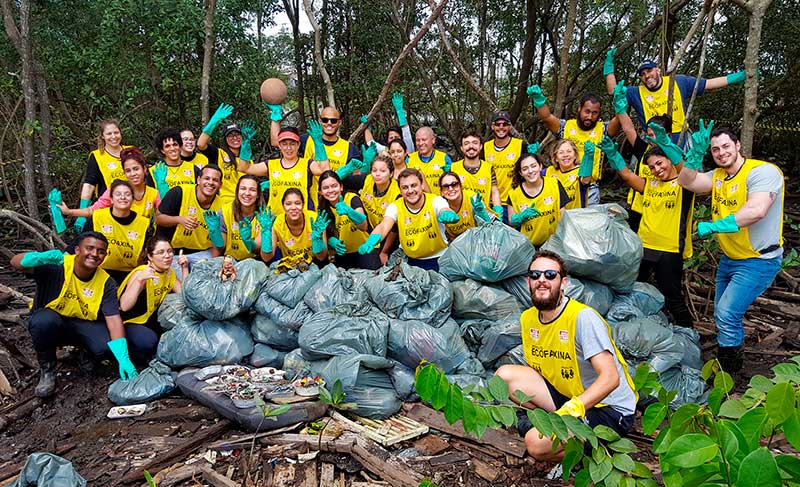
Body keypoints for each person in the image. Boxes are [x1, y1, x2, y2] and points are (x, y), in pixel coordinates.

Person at [658, 124, 784, 373]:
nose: (721, 152)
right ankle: (728, 359)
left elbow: (756, 210)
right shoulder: (718, 176)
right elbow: (688, 182)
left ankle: (731, 370)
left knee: (727, 313)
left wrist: (717, 225)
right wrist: (691, 154)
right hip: (730, 259)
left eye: (726, 146)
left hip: (758, 259)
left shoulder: (762, 172)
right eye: (715, 149)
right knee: (723, 313)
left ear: (738, 145)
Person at [495, 250, 637, 461]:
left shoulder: (582, 318)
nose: (541, 280)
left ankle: (582, 450)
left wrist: (574, 408)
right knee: (503, 377)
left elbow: (611, 378)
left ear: (563, 282)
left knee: (535, 443)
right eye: (535, 275)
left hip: (607, 408)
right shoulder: (528, 319)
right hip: (568, 393)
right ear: (528, 282)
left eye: (550, 275)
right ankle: (562, 429)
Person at [10, 233, 155, 397]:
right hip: (54, 322)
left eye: (100, 251)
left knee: (104, 346)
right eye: (90, 248)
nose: (94, 254)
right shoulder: (57, 266)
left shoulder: (106, 282)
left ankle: (85, 352)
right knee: (42, 322)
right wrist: (40, 257)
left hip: (83, 324)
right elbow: (15, 262)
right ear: (77, 250)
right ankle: (48, 369)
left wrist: (123, 357)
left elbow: (114, 320)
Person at [601, 139, 695, 328]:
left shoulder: (683, 185)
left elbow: (685, 170)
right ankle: (633, 325)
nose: (656, 170)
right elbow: (627, 176)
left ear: (669, 160)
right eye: (652, 167)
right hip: (643, 248)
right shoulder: (650, 184)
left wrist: (667, 145)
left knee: (672, 297)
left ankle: (688, 332)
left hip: (668, 251)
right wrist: (614, 155)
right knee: (631, 289)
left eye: (660, 163)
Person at [604, 49, 748, 135]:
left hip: (681, 137)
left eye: (649, 71)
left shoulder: (677, 82)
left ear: (658, 69)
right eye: (642, 74)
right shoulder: (636, 92)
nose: (646, 76)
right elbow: (613, 91)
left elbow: (709, 83)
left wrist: (738, 76)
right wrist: (609, 67)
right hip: (653, 141)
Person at [527, 86, 620, 205]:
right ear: (579, 109)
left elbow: (618, 121)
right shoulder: (565, 127)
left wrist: (619, 106)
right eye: (587, 111)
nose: (590, 117)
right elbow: (547, 117)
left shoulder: (603, 129)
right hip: (563, 185)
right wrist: (539, 101)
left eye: (594, 113)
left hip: (590, 188)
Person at [358, 169, 459, 271]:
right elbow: (384, 225)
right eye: (405, 187)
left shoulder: (435, 200)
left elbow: (443, 208)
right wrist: (371, 240)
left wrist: (447, 213)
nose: (410, 191)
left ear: (422, 185)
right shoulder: (396, 206)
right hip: (409, 261)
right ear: (400, 191)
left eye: (414, 185)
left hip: (438, 259)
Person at [612, 81, 674, 231]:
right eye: (650, 135)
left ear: (668, 135)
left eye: (657, 134)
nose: (653, 138)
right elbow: (628, 129)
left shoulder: (675, 155)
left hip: (664, 210)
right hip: (639, 208)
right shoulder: (643, 148)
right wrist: (620, 109)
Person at [58, 147, 160, 221]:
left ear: (144, 169)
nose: (133, 174)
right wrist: (69, 212)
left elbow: (162, 217)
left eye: (136, 169)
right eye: (128, 171)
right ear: (124, 173)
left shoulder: (153, 194)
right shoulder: (116, 189)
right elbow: (92, 210)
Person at [155, 164, 223, 274]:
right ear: (198, 180)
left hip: (203, 253)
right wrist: (179, 220)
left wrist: (214, 265)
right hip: (175, 253)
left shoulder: (222, 206)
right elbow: (158, 219)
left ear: (220, 185)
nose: (210, 182)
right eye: (206, 178)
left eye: (215, 180)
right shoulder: (179, 192)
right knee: (182, 286)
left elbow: (220, 244)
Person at [237, 126, 321, 215]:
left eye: (292, 144)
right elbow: (244, 168)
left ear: (298, 144)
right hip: (275, 218)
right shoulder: (271, 165)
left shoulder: (307, 164)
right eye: (284, 144)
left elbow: (323, 170)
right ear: (279, 145)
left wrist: (319, 144)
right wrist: (244, 147)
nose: (288, 148)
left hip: (301, 218)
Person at [83, 180, 152, 284]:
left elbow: (148, 253)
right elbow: (80, 242)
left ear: (133, 199)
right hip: (98, 270)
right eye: (118, 194)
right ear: (111, 199)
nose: (123, 197)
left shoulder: (144, 223)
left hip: (130, 274)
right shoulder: (97, 217)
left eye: (127, 194)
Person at [118, 236, 187, 334]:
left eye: (170, 251)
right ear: (150, 256)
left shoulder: (169, 272)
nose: (167, 256)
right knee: (149, 341)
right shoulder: (141, 272)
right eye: (161, 252)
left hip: (151, 317)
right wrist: (139, 280)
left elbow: (184, 294)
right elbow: (124, 306)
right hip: (131, 321)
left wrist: (184, 268)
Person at [317, 171, 380, 270]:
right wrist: (333, 242)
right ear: (320, 191)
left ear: (341, 187)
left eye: (334, 186)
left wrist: (349, 212)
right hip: (344, 252)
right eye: (325, 188)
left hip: (366, 248)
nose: (330, 190)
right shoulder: (322, 209)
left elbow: (364, 226)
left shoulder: (351, 198)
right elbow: (327, 234)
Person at [76, 119, 131, 231]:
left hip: (132, 206)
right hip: (106, 208)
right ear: (102, 136)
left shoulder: (131, 151)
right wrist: (82, 212)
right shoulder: (97, 156)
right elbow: (89, 185)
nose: (113, 136)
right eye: (109, 133)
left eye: (116, 132)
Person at [508, 154, 570, 247]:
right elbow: (511, 222)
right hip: (528, 246)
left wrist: (559, 239)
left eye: (533, 166)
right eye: (525, 169)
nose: (530, 171)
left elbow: (562, 214)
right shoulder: (514, 194)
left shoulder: (554, 183)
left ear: (540, 166)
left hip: (554, 243)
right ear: (520, 173)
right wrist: (520, 217)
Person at [259, 188, 329, 269]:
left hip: (314, 265)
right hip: (290, 267)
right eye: (288, 204)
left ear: (303, 205)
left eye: (297, 203)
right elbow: (266, 258)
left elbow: (322, 257)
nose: (293, 207)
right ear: (283, 206)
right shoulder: (276, 223)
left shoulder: (315, 220)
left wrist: (318, 241)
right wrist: (265, 235)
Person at [196, 103, 250, 204]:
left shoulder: (247, 160)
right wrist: (214, 121)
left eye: (237, 134)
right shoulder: (219, 154)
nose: (235, 138)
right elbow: (200, 144)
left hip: (243, 203)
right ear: (225, 139)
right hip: (222, 204)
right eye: (230, 135)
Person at [483, 110, 528, 220]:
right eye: (498, 124)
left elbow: (528, 170)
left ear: (510, 127)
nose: (501, 127)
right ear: (493, 126)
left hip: (514, 200)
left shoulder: (520, 144)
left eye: (505, 124)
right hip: (493, 202)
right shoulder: (485, 147)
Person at [209, 175, 265, 261]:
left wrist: (248, 241)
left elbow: (257, 250)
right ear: (237, 191)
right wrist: (214, 233)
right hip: (229, 261)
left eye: (252, 190)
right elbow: (220, 248)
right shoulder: (225, 211)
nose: (247, 193)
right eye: (243, 188)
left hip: (253, 262)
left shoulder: (264, 216)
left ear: (258, 194)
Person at [359, 153, 401, 265]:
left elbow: (394, 228)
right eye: (374, 170)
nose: (377, 174)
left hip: (390, 237)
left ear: (391, 173)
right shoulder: (368, 180)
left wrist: (384, 251)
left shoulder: (397, 193)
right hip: (369, 231)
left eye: (383, 171)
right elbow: (342, 181)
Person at [449, 130, 503, 216]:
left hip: (484, 216)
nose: (471, 146)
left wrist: (498, 210)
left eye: (475, 143)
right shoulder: (453, 168)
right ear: (462, 148)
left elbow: (494, 191)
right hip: (461, 217)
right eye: (466, 143)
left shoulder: (489, 168)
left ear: (481, 146)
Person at [438, 171, 492, 241]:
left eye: (454, 184)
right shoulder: (439, 205)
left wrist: (481, 214)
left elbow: (490, 228)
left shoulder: (474, 199)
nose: (451, 189)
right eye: (446, 186)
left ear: (461, 186)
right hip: (457, 244)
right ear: (441, 191)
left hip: (479, 240)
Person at [150, 128, 200, 196]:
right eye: (167, 146)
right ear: (162, 150)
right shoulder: (154, 171)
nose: (172, 149)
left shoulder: (194, 169)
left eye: (175, 144)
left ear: (180, 146)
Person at [545, 140, 590, 210]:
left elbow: (586, 181)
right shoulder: (548, 171)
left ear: (575, 155)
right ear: (556, 158)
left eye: (569, 151)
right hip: (555, 217)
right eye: (561, 152)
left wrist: (589, 158)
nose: (565, 155)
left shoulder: (581, 171)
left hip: (576, 217)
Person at [407, 127, 452, 194]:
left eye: (424, 139)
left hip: (440, 201)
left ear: (433, 140)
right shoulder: (409, 159)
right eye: (418, 140)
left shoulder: (444, 158)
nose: (420, 143)